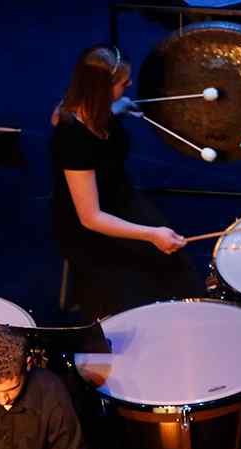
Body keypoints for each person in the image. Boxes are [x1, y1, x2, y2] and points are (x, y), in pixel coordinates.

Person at [51, 44, 203, 320]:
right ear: (101, 89)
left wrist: (118, 107)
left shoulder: (97, 106)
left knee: (180, 274)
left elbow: (100, 112)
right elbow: (91, 217)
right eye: (123, 82)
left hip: (121, 197)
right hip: (89, 225)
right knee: (137, 306)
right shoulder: (72, 137)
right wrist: (150, 233)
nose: (130, 84)